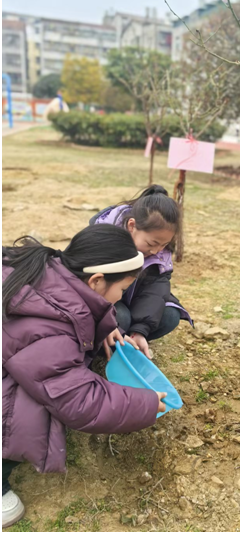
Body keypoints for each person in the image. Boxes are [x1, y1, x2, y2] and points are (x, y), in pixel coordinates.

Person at [2, 224, 167, 528]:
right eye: (122, 289)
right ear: (97, 280)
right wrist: (145, 404)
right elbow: (75, 399)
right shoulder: (48, 325)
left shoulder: (48, 272)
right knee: (31, 400)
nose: (120, 297)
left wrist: (105, 324)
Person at [90, 185, 192, 360]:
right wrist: (106, 320)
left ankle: (129, 342)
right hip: (100, 304)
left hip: (130, 300)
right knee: (121, 316)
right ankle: (100, 347)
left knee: (170, 316)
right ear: (132, 226)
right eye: (152, 244)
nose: (156, 251)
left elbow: (154, 293)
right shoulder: (102, 240)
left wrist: (140, 330)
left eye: (163, 245)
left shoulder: (159, 254)